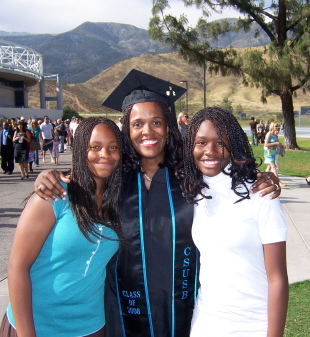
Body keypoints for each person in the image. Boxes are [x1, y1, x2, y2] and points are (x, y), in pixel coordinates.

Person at [32, 69, 281, 337]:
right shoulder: (116, 177)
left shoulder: (190, 175)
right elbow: (83, 177)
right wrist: (50, 175)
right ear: (126, 129)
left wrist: (263, 177)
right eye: (137, 124)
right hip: (124, 313)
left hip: (185, 312)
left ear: (169, 126)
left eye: (156, 122)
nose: (147, 131)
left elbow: (226, 174)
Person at [0, 117, 123, 337]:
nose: (105, 154)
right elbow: (17, 267)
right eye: (94, 147)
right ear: (79, 149)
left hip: (90, 327)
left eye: (113, 147)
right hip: (38, 326)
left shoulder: (118, 202)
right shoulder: (54, 196)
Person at [182, 107, 288, 337]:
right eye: (201, 142)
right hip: (206, 322)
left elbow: (278, 278)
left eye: (220, 142)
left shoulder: (261, 194)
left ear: (233, 145)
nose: (209, 151)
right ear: (190, 146)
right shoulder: (194, 192)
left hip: (253, 325)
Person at [264, 122, 287, 187]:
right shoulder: (269, 134)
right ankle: (278, 182)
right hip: (269, 153)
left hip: (274, 153)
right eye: (275, 126)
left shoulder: (275, 135)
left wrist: (280, 145)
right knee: (274, 167)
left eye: (278, 126)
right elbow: (266, 144)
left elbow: (277, 144)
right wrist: (275, 143)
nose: (277, 127)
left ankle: (263, 179)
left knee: (269, 167)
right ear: (272, 127)